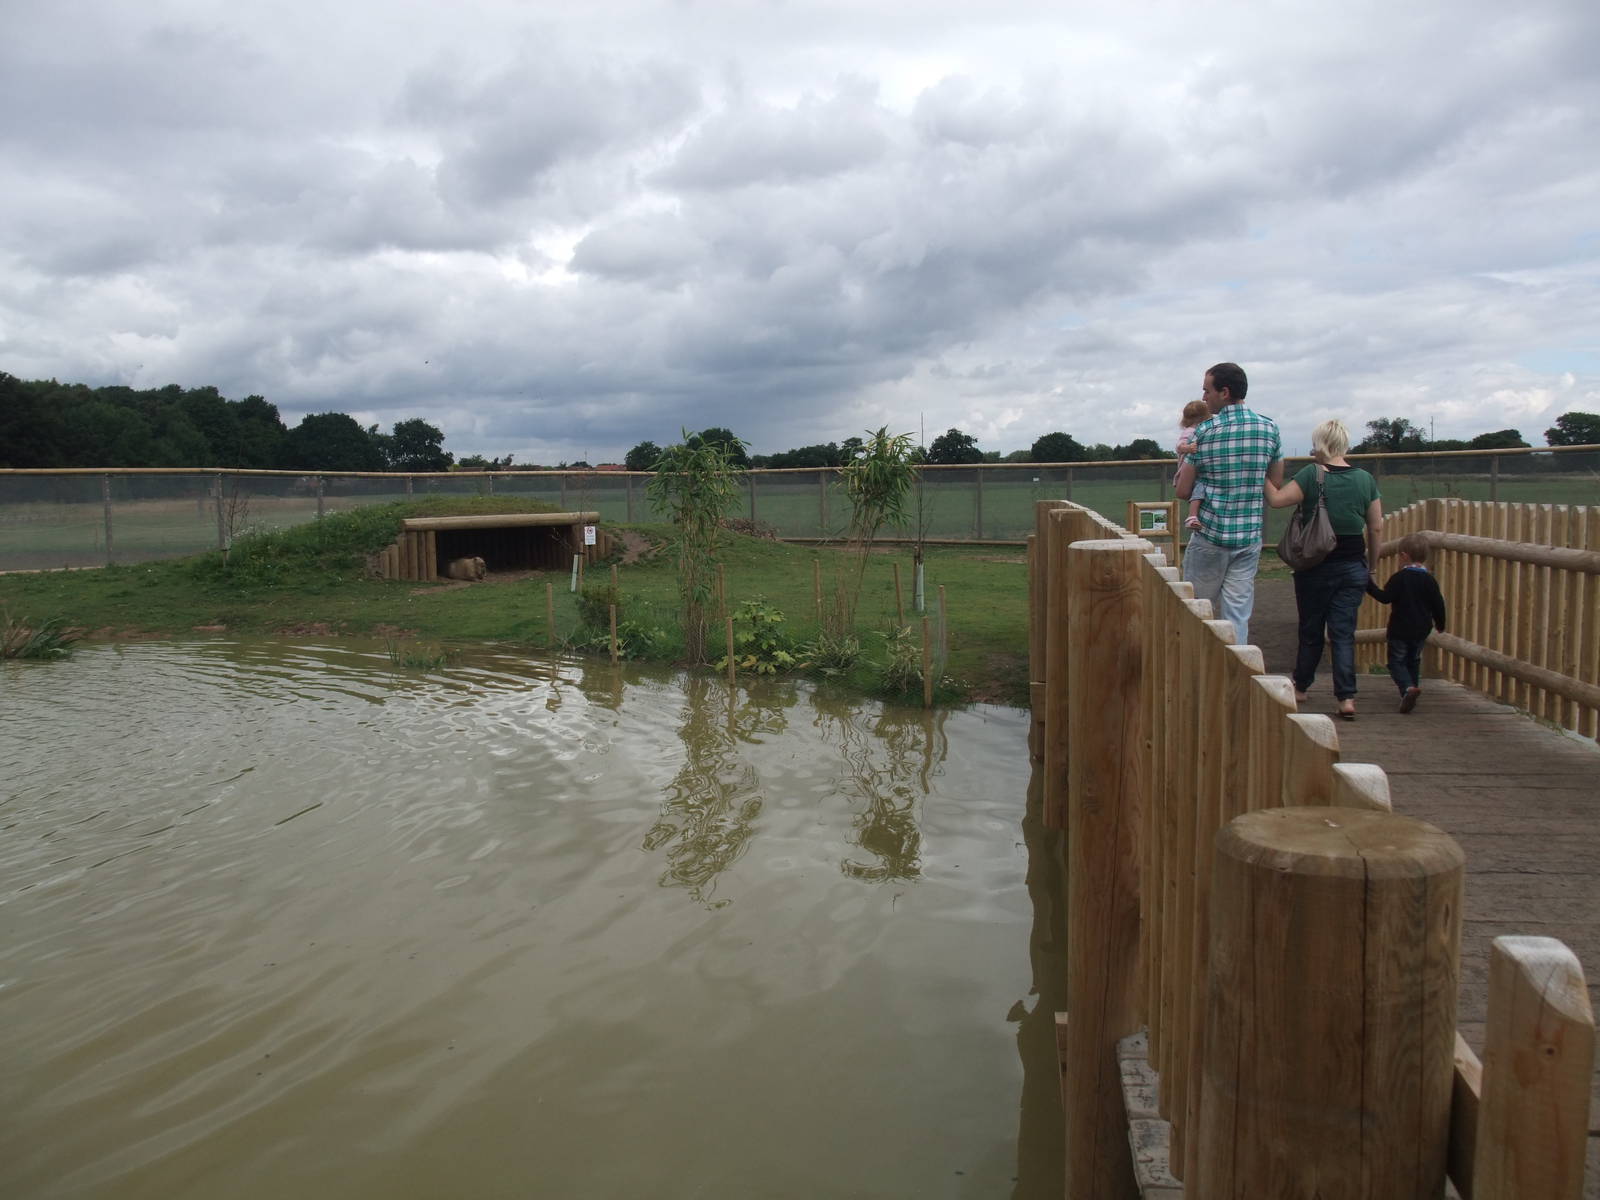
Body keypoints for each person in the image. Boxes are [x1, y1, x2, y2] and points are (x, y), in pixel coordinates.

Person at [1264, 419, 1383, 719]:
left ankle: (1301, 687)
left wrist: (1259, 474)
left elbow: (1277, 500)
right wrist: (1372, 566)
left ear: (1322, 444)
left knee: (1312, 629)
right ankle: (1346, 698)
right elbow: (1376, 526)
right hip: (1353, 565)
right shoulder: (1365, 480)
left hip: (1315, 566)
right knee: (1343, 632)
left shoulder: (1311, 475)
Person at [1175, 362, 1282, 646]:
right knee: (1237, 614)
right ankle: (1238, 673)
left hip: (1210, 534)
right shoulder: (1269, 428)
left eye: (1207, 390)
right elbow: (1275, 480)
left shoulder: (1205, 431)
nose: (1204, 397)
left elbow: (1184, 490)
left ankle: (1197, 675)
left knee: (1197, 609)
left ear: (1224, 392)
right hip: (1248, 537)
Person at [1365, 532, 1447, 713]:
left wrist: (1368, 584)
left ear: (1404, 556)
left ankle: (1407, 689)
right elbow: (1438, 604)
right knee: (1413, 660)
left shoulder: (1400, 578)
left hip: (1400, 629)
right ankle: (1411, 690)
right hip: (1421, 629)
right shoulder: (1430, 580)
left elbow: (1385, 598)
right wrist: (1440, 624)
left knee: (1396, 662)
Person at [1175, 399, 1211, 532]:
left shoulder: (1197, 430)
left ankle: (1195, 515)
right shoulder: (1190, 431)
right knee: (1200, 488)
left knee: (1200, 491)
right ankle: (1192, 516)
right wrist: (1188, 447)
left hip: (1191, 470)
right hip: (1187, 472)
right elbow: (1179, 446)